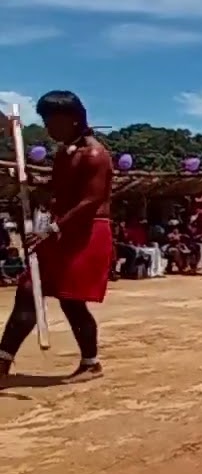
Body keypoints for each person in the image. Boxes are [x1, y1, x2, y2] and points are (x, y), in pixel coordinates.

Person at [0, 91, 114, 382]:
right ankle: (2, 363)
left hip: (86, 230)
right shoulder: (65, 153)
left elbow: (90, 200)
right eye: (45, 120)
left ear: (74, 120)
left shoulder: (95, 154)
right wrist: (28, 181)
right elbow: (57, 188)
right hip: (62, 228)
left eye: (53, 121)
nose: (49, 127)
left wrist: (51, 229)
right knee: (28, 290)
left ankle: (90, 363)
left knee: (71, 299)